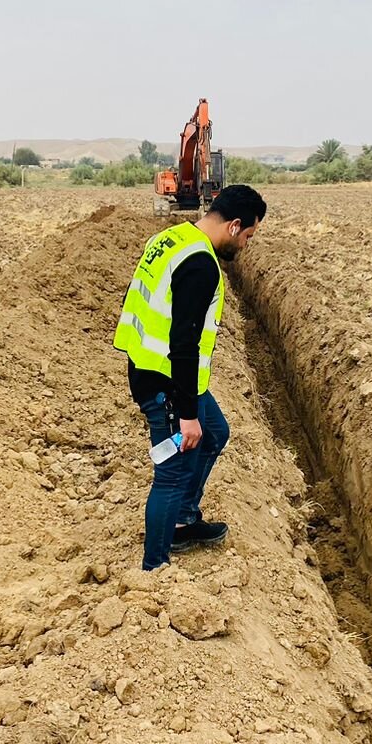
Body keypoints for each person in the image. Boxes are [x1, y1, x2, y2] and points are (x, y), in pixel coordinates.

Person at [114, 184, 267, 571]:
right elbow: (183, 344)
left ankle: (183, 519)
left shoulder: (172, 238)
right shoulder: (200, 265)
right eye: (248, 236)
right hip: (163, 381)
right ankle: (154, 569)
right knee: (171, 472)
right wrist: (185, 414)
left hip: (160, 371)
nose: (245, 245)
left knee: (214, 432)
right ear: (234, 226)